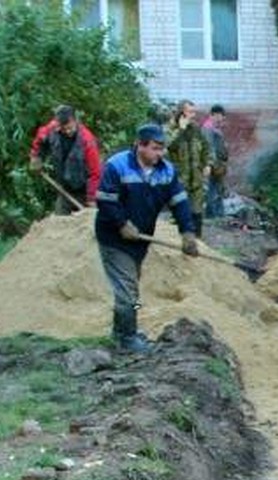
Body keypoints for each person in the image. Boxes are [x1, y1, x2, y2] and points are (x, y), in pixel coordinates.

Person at [94, 123, 199, 353]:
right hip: (114, 238)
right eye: (155, 148)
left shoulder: (167, 171)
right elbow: (104, 199)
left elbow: (179, 202)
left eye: (162, 149)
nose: (160, 153)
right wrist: (121, 223)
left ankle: (121, 332)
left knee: (129, 288)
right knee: (128, 288)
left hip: (141, 240)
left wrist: (187, 232)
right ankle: (128, 339)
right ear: (139, 145)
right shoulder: (117, 166)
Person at [29, 104, 102, 213]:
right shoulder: (52, 128)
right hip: (64, 188)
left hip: (83, 190)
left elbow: (95, 173)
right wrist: (36, 157)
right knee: (60, 223)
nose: (67, 132)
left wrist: (91, 198)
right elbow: (40, 139)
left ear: (75, 120)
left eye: (70, 128)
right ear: (58, 124)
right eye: (64, 129)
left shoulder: (87, 140)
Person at [166, 99, 211, 235]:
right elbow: (168, 146)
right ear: (182, 113)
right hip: (179, 179)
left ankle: (198, 242)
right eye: (190, 112)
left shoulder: (196, 129)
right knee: (180, 211)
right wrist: (181, 129)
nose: (194, 115)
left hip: (196, 178)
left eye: (194, 111)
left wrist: (208, 164)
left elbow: (206, 148)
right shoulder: (171, 130)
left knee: (197, 212)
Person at [200, 103, 229, 219]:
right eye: (222, 115)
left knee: (217, 188)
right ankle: (212, 215)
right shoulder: (207, 128)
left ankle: (218, 214)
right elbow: (209, 147)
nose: (223, 118)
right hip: (214, 164)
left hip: (217, 164)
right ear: (215, 115)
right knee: (213, 189)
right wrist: (210, 164)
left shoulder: (213, 128)